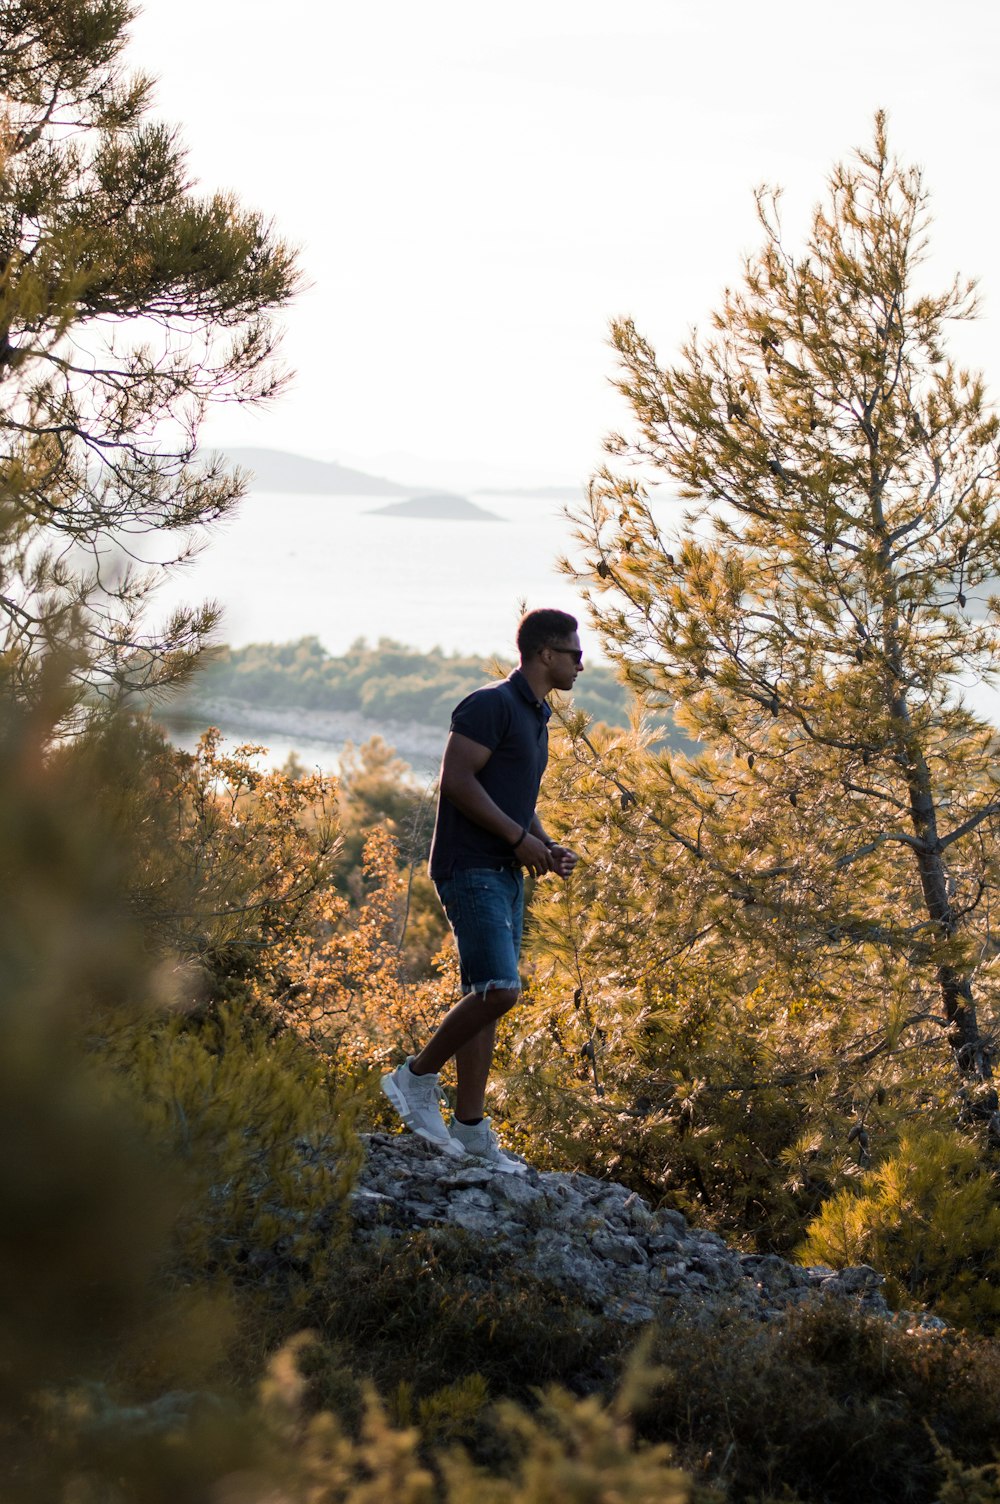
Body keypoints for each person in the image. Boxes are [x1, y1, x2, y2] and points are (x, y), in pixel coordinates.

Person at [381, 608, 582, 1173]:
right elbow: (456, 779)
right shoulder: (490, 704)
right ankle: (414, 1078)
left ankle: (470, 1130)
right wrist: (519, 838)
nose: (580, 664)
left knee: (486, 1000)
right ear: (545, 653)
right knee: (500, 989)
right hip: (470, 866)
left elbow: (513, 796)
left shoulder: (535, 715)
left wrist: (541, 843)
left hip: (506, 869)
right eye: (573, 653)